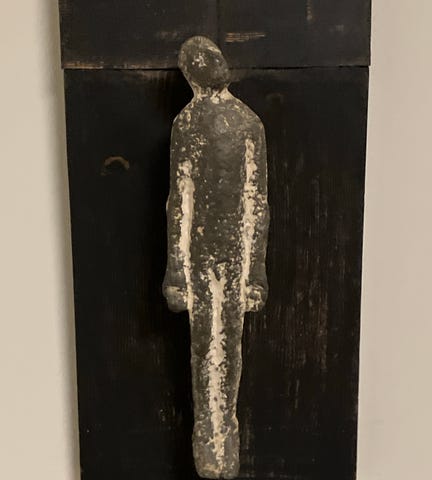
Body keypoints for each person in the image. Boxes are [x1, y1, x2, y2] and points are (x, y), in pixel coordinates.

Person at [163, 36, 269, 479]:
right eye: (200, 59)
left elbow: (256, 202)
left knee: (230, 347)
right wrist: (177, 271)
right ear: (192, 72)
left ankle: (225, 438)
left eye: (212, 56)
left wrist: (255, 271)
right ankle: (209, 443)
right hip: (201, 258)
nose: (212, 64)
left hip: (234, 256)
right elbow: (180, 201)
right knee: (204, 346)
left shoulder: (248, 123)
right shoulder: (187, 123)